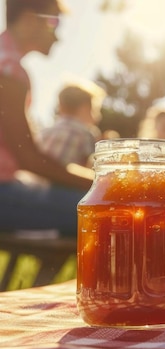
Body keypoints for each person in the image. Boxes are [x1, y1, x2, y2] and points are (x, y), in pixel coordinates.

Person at [0, 0, 93, 237]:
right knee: (103, 211)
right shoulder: (8, 70)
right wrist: (99, 184)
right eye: (54, 24)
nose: (58, 37)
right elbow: (28, 158)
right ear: (31, 19)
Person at [39, 80, 106, 167]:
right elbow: (88, 167)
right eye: (95, 110)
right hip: (64, 179)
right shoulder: (85, 134)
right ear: (85, 108)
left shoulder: (44, 132)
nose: (98, 116)